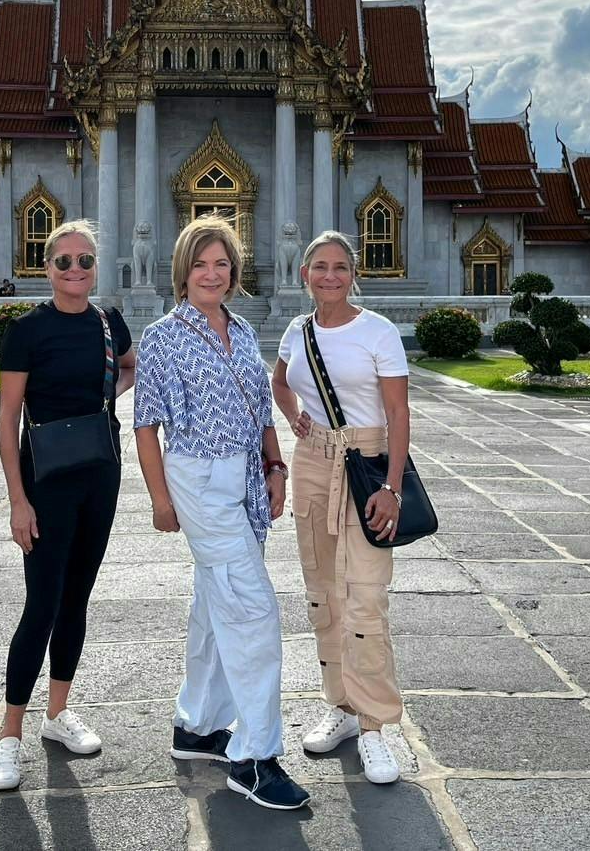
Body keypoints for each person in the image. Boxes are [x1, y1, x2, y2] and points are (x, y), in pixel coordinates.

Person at [134, 216, 311, 812]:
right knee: (252, 609)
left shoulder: (239, 329)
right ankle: (255, 757)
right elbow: (145, 426)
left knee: (217, 602)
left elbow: (262, 409)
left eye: (223, 264)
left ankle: (199, 726)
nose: (213, 274)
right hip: (199, 476)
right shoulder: (163, 336)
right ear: (184, 271)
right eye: (202, 264)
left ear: (235, 273)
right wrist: (161, 499)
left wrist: (276, 467)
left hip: (247, 478)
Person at [0, 221, 135, 791]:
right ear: (45, 268)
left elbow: (128, 367)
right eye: (64, 262)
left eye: (85, 261)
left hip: (100, 473)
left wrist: (98, 402)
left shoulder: (106, 322)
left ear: (96, 267)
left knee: (76, 600)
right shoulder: (27, 331)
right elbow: (7, 419)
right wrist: (17, 501)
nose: (76, 271)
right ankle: (8, 735)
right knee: (41, 604)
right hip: (44, 480)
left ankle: (57, 715)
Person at [271, 230, 410, 785]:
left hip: (368, 463)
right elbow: (280, 383)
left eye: (339, 267)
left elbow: (398, 413)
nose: (329, 276)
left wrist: (392, 486)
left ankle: (375, 726)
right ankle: (343, 709)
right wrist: (293, 416)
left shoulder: (377, 331)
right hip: (313, 461)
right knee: (322, 592)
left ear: (354, 274)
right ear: (304, 274)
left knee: (365, 598)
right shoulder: (296, 331)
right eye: (319, 267)